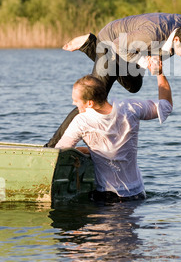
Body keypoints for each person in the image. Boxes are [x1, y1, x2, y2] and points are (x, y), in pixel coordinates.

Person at [46, 12, 181, 147]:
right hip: (112, 43)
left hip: (132, 48)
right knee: (92, 100)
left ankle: (90, 45)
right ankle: (52, 148)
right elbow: (118, 46)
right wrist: (142, 61)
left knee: (133, 86)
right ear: (177, 40)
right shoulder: (152, 33)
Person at [55, 58, 173, 203]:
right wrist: (159, 73)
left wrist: (85, 151)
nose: (74, 103)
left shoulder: (82, 121)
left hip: (107, 198)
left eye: (76, 100)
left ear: (90, 103)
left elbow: (58, 153)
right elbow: (165, 107)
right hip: (137, 194)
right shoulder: (130, 107)